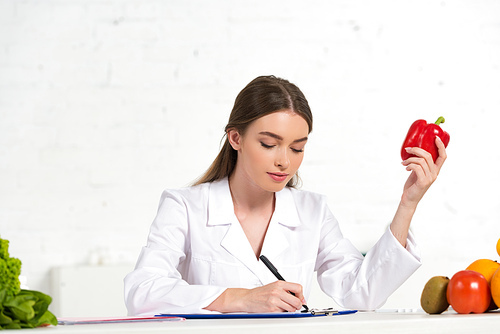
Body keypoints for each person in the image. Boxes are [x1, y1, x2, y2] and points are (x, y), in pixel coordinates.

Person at [124, 75, 447, 315]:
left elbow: (361, 293)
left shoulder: (312, 211)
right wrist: (238, 298)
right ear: (236, 138)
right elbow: (142, 292)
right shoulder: (185, 206)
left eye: (298, 148)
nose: (284, 161)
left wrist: (409, 203)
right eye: (268, 144)